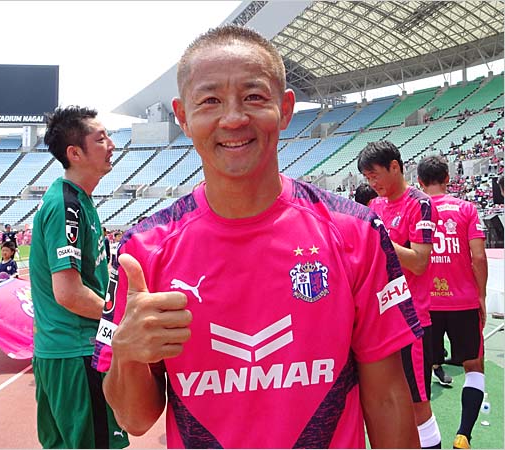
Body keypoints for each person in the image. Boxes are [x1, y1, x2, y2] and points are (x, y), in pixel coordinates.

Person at [95, 24, 421, 449]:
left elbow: (388, 398)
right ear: (183, 116)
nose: (233, 118)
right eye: (210, 100)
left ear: (284, 108)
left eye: (253, 97)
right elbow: (135, 419)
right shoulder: (143, 251)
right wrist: (127, 354)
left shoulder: (355, 233)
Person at [29, 106, 128, 449]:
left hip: (65, 352)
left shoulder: (78, 201)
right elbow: (69, 293)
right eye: (101, 139)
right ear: (75, 153)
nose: (112, 144)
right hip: (77, 352)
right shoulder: (66, 205)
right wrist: (122, 317)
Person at [357, 140, 441, 448]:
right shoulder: (376, 206)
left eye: (375, 175)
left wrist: (379, 239)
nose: (372, 183)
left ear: (395, 167)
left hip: (411, 319)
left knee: (418, 405)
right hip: (382, 318)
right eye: (367, 178)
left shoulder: (419, 204)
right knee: (389, 403)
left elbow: (419, 262)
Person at [417, 156, 488, 449]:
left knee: (421, 376)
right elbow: (478, 257)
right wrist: (481, 295)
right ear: (448, 177)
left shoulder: (416, 210)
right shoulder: (467, 209)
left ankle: (428, 440)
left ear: (420, 182)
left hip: (426, 306)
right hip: (464, 303)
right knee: (474, 367)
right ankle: (463, 435)